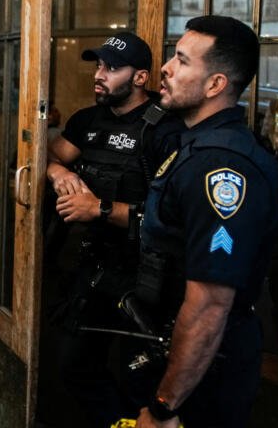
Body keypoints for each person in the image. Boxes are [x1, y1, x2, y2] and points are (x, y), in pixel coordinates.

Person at [135, 16, 278, 428]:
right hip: (178, 347)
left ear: (216, 84)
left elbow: (209, 307)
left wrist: (165, 408)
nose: (165, 67)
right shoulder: (194, 145)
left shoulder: (221, 166)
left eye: (182, 61)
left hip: (206, 366)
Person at [45, 32, 183, 428]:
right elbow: (47, 157)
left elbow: (170, 217)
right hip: (91, 269)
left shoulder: (163, 131)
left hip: (143, 277)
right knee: (73, 363)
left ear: (140, 78)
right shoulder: (87, 120)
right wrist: (58, 173)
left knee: (140, 374)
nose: (98, 75)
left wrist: (99, 208)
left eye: (110, 68)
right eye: (98, 66)